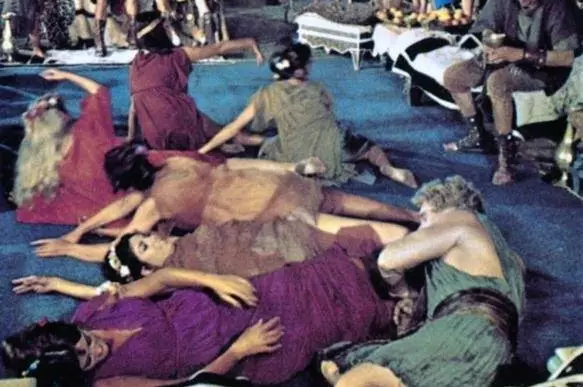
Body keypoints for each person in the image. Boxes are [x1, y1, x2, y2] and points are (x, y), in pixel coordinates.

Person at [6, 245, 401, 386]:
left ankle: (399, 276)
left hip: (223, 301)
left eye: (84, 344)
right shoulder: (107, 383)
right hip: (234, 346)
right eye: (85, 361)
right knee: (358, 312)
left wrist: (214, 280)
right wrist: (241, 350)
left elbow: (162, 279)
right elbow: (188, 385)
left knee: (336, 270)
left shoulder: (92, 310)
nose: (95, 352)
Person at [319, 175, 525, 387]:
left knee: (355, 372)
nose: (420, 229)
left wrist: (402, 292)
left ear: (439, 205)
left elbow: (388, 261)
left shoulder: (458, 218)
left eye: (424, 219)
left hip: (463, 336)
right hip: (494, 353)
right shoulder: (502, 249)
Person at [54, 144, 420, 246]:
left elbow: (130, 240)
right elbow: (235, 163)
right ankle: (416, 218)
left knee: (339, 225)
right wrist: (289, 168)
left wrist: (85, 236)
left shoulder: (153, 205)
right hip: (267, 184)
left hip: (261, 209)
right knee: (342, 202)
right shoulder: (178, 164)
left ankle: (405, 241)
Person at [200, 42, 418, 187]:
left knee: (268, 142)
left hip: (294, 148)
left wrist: (204, 150)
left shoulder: (267, 93)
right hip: (333, 145)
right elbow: (329, 114)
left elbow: (234, 126)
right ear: (303, 68)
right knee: (369, 148)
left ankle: (300, 165)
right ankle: (389, 168)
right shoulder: (318, 88)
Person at [442, 0, 580, 184]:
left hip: (544, 68)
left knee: (498, 82)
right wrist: (489, 40)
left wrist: (521, 54)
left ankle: (506, 159)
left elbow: (566, 58)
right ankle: (479, 136)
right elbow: (487, 25)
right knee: (453, 77)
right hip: (504, 55)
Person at [34, 212, 408, 281]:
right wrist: (67, 263)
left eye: (145, 237)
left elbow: (121, 254)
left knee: (394, 234)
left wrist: (73, 244)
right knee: (394, 238)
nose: (154, 238)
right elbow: (118, 289)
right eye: (146, 246)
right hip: (293, 251)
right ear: (146, 269)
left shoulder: (175, 244)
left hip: (283, 229)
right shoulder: (175, 274)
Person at [127, 12, 265, 151]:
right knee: (228, 133)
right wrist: (249, 43)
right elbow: (218, 48)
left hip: (155, 137)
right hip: (179, 119)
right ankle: (254, 141)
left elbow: (134, 106)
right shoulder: (177, 56)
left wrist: (130, 137)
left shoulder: (136, 63)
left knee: (203, 126)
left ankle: (225, 143)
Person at [13, 68, 123, 225]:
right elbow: (99, 92)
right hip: (120, 195)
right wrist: (66, 75)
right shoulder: (87, 130)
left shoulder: (39, 156)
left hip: (91, 206)